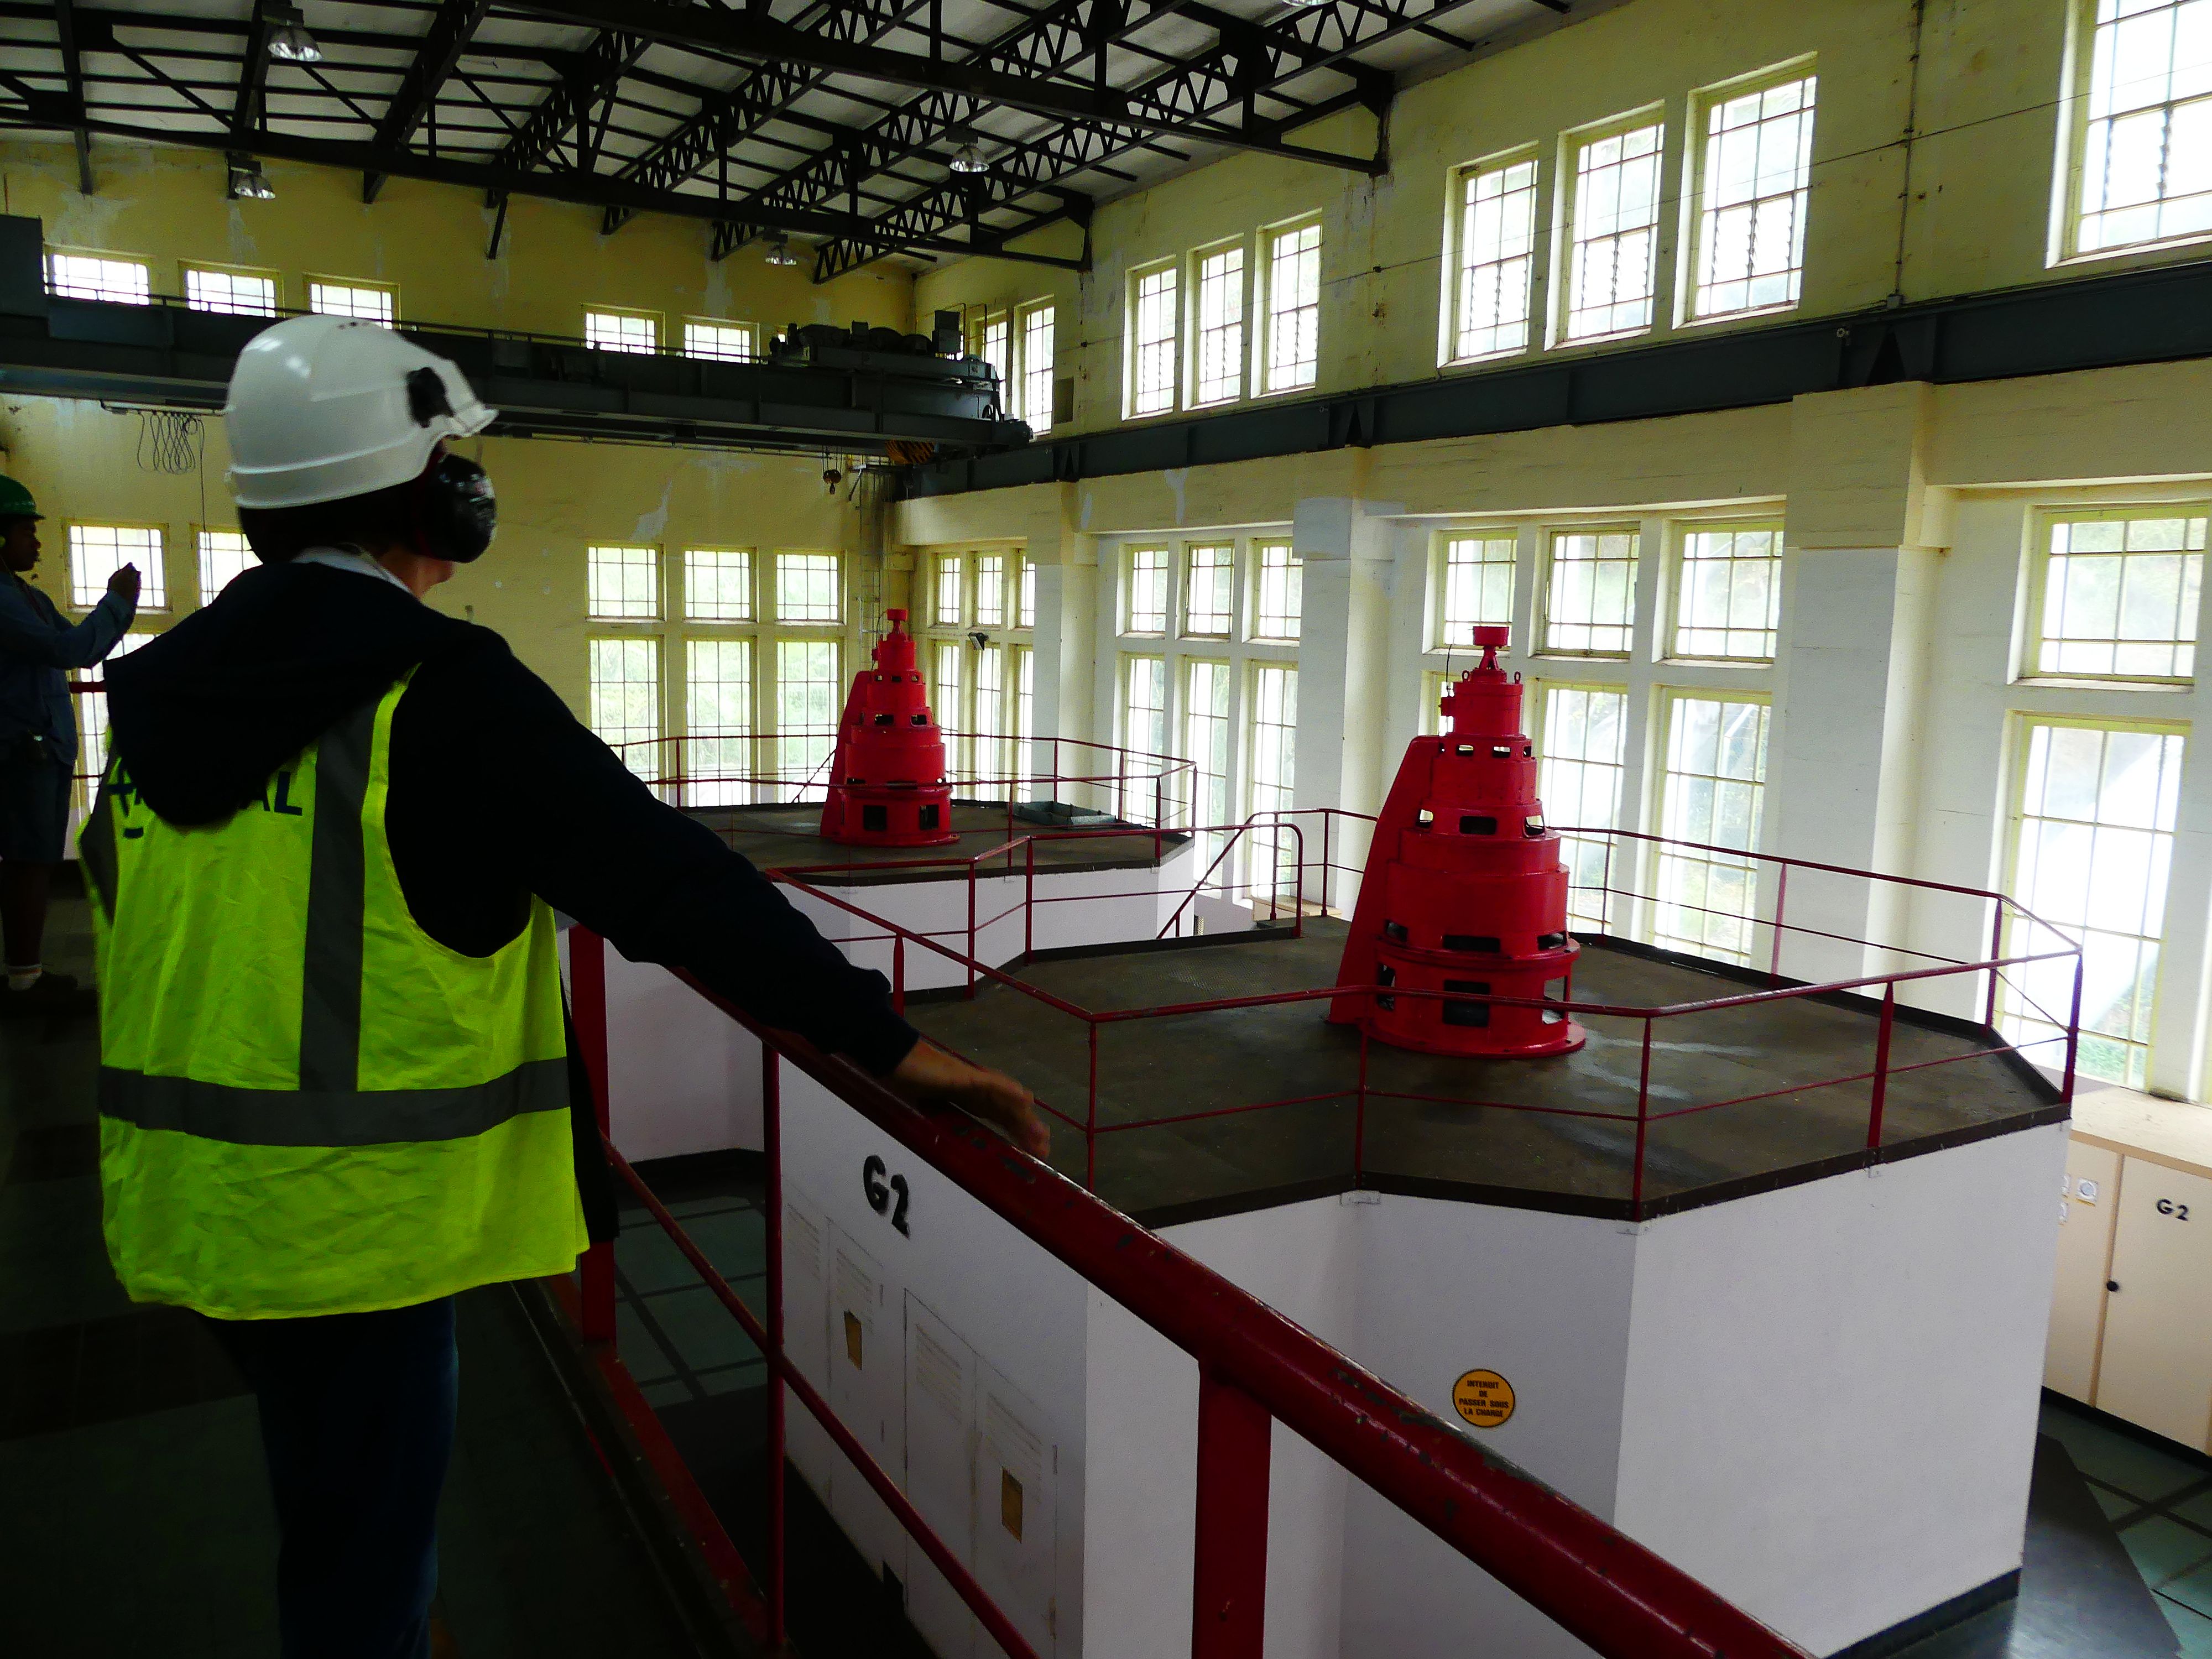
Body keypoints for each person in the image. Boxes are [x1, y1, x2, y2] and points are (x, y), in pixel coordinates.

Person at [83, 315, 1044, 1659]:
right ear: (431, 494)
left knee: (335, 1513)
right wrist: (889, 1046)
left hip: (192, 1202)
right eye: (455, 457)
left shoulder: (150, 701)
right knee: (361, 1569)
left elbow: (138, 914)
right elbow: (667, 879)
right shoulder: (438, 688)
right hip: (359, 1228)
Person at [0, 474, 137, 1015]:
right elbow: (70, 650)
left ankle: (25, 976)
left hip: (45, 749)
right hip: (20, 751)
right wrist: (117, 601)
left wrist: (115, 609)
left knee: (34, 862)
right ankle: (23, 984)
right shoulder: (5, 603)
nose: (36, 542)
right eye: (25, 531)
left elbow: (83, 645)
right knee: (29, 864)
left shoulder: (27, 597)